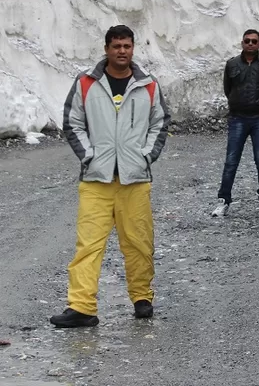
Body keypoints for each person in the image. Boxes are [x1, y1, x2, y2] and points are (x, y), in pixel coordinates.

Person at [51, 25, 170, 327]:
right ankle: (82, 307)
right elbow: (72, 122)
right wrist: (89, 155)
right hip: (96, 180)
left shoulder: (148, 85)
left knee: (139, 243)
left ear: (133, 49)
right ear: (106, 49)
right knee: (88, 245)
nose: (122, 51)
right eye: (116, 46)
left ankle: (142, 298)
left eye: (127, 46)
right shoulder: (86, 83)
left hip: (135, 180)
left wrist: (145, 155)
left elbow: (160, 122)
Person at [211, 29, 259, 217]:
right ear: (242, 43)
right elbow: (228, 89)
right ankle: (223, 201)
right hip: (238, 117)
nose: (250, 44)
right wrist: (237, 103)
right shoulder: (232, 64)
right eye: (247, 41)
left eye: (254, 41)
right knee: (231, 161)